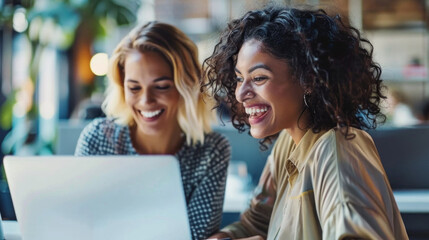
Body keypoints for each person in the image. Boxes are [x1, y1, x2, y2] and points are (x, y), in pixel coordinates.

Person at [202, 5, 408, 240]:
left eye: (259, 78)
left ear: (309, 79)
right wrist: (226, 237)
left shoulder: (338, 151)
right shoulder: (287, 146)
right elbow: (259, 222)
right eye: (240, 79)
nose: (240, 94)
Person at [75, 21, 230, 240]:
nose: (146, 101)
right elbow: (80, 226)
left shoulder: (210, 151)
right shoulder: (98, 139)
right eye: (134, 88)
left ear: (187, 85)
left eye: (161, 86)